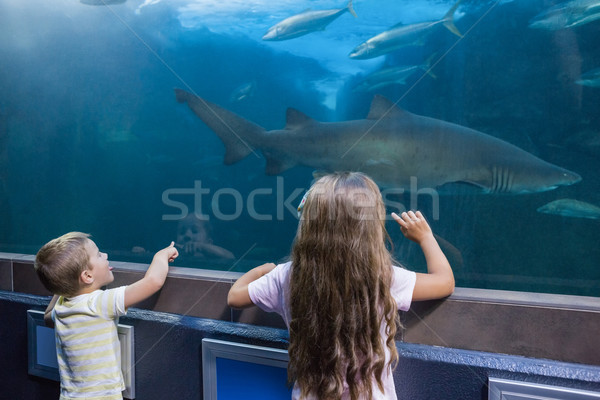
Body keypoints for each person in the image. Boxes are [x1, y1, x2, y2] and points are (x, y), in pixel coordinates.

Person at [227, 172, 454, 400]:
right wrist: (426, 237)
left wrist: (262, 270)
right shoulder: (382, 278)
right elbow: (445, 282)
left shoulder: (286, 275)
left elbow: (234, 298)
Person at [34, 232, 178, 400]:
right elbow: (153, 281)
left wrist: (63, 286)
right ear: (87, 276)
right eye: (99, 255)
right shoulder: (98, 303)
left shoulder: (62, 308)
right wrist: (161, 255)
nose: (106, 255)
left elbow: (47, 317)